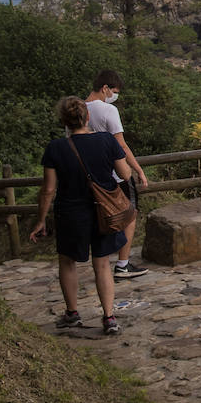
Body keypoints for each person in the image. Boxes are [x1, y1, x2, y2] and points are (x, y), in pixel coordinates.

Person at [30, 96, 133, 336]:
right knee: (102, 263)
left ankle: (72, 313)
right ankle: (109, 317)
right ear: (87, 118)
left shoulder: (56, 148)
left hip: (70, 213)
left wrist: (41, 220)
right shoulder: (106, 140)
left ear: (65, 122)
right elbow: (125, 174)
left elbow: (48, 189)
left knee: (67, 262)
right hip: (103, 212)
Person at [85, 70, 149, 280]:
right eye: (115, 91)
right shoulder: (108, 110)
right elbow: (120, 144)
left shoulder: (77, 110)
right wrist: (138, 169)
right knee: (130, 214)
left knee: (99, 217)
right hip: (115, 173)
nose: (115, 96)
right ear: (105, 88)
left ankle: (101, 263)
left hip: (90, 176)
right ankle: (122, 264)